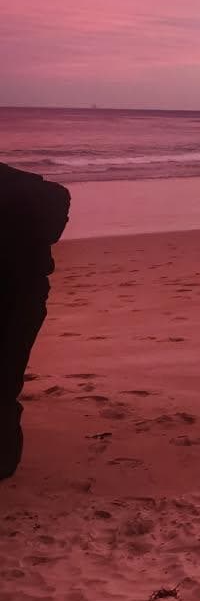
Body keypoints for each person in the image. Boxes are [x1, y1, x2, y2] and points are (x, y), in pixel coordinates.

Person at [1, 162, 71, 480]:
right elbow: (59, 199)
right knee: (7, 377)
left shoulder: (30, 190)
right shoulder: (36, 190)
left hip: (20, 295)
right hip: (29, 296)